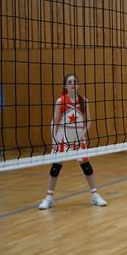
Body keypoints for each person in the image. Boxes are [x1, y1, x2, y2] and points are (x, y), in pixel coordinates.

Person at [38, 74, 107, 209]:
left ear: (78, 85)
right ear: (65, 86)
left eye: (75, 82)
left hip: (78, 138)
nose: (72, 84)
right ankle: (49, 198)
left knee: (86, 167)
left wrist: (82, 134)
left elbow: (88, 121)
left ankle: (95, 196)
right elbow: (54, 122)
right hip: (63, 137)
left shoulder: (84, 101)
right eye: (69, 82)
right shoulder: (60, 101)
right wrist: (54, 140)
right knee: (55, 168)